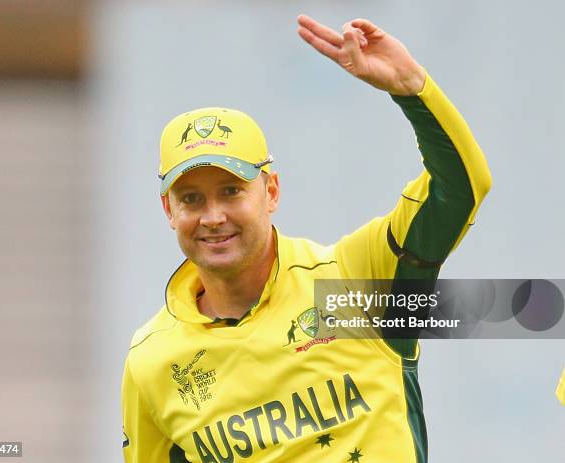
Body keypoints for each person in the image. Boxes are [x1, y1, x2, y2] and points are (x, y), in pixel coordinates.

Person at [121, 13, 491, 463]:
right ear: (169, 211)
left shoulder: (352, 281)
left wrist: (412, 89)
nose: (213, 216)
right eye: (192, 199)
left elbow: (460, 190)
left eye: (232, 191)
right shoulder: (152, 359)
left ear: (271, 191)